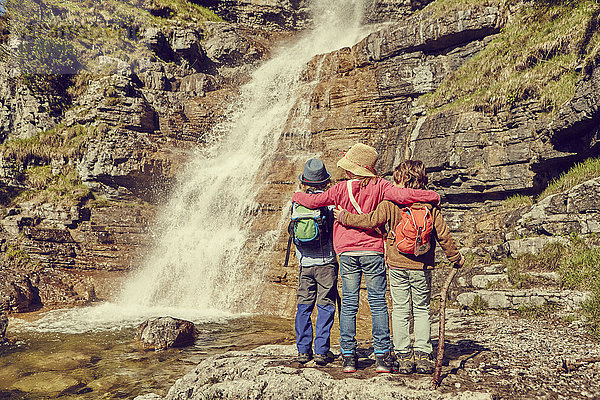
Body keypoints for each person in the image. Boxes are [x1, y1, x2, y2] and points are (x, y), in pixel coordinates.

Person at [292, 144, 441, 373]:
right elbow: (404, 195)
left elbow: (313, 202)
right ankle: (382, 357)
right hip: (373, 251)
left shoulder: (339, 189)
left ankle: (349, 357)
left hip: (347, 252)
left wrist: (296, 195)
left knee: (349, 304)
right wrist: (430, 196)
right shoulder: (381, 186)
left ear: (351, 170)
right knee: (378, 303)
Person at [334, 160, 464, 374]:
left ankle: (403, 355)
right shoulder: (429, 205)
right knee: (421, 309)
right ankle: (422, 354)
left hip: (396, 264)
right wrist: (455, 257)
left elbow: (370, 221)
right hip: (422, 266)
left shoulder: (391, 202)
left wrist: (343, 216)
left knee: (401, 309)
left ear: (400, 180)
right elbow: (443, 234)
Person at [291, 158, 338, 366]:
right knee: (326, 305)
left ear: (304, 181)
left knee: (304, 306)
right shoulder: (328, 203)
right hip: (326, 262)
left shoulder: (297, 201)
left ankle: (303, 351)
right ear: (325, 183)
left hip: (305, 264)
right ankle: (321, 351)